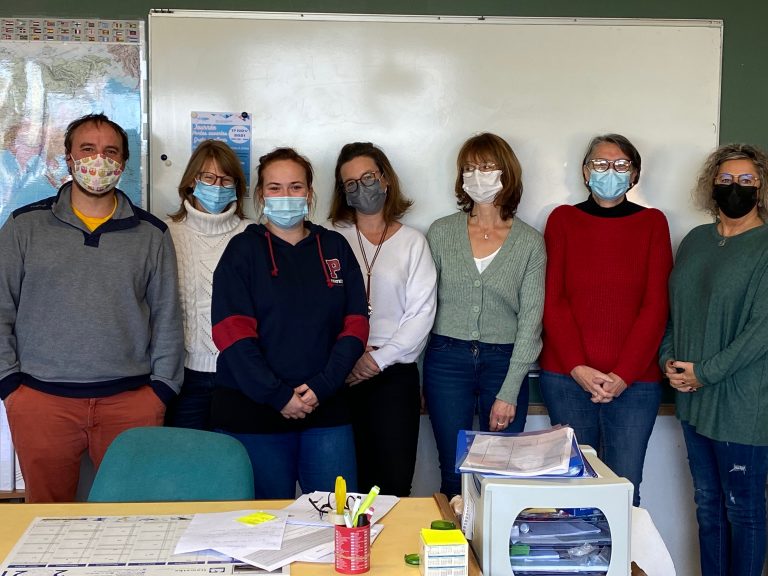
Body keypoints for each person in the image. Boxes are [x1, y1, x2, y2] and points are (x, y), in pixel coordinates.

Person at [0, 113, 184, 503]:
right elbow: (1, 308)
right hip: (41, 401)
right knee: (45, 521)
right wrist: (10, 385)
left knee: (134, 518)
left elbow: (167, 316)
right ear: (68, 157)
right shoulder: (24, 226)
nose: (98, 160)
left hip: (131, 403)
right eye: (87, 149)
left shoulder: (151, 234)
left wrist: (161, 390)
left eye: (110, 151)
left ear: (123, 163)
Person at [211, 147, 369, 498]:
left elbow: (356, 325)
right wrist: (278, 395)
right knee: (261, 528)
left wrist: (323, 386)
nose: (286, 196)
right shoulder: (241, 251)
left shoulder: (334, 247)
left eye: (296, 187)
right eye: (275, 188)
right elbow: (231, 334)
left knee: (338, 521)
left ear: (310, 194)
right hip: (253, 413)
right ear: (261, 195)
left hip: (326, 411)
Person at [539, 134, 672, 506]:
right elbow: (553, 299)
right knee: (572, 492)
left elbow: (655, 305)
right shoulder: (562, 220)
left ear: (634, 175)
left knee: (623, 491)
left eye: (620, 165)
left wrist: (623, 374)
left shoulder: (652, 223)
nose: (609, 171)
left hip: (635, 384)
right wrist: (578, 367)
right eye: (600, 164)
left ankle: (617, 565)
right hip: (566, 378)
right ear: (585, 172)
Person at [660, 143, 768, 576]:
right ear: (711, 186)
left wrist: (705, 373)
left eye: (745, 181)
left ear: (760, 188)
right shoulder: (696, 240)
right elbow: (675, 310)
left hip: (742, 404)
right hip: (693, 401)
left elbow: (760, 331)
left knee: (742, 509)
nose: (734, 188)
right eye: (725, 180)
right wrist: (669, 360)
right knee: (707, 507)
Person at [424, 132, 545, 497]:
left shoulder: (529, 242)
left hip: (504, 361)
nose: (479, 175)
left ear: (507, 173)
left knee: (501, 473)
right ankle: (453, 553)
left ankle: (491, 554)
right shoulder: (441, 233)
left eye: (488, 167)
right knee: (453, 471)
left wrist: (509, 391)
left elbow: (531, 321)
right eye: (470, 168)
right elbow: (424, 308)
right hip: (447, 359)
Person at [330, 142, 437, 496]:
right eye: (351, 183)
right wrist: (349, 360)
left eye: (369, 177)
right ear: (343, 193)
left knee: (392, 485)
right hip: (340, 375)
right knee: (344, 488)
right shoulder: (329, 240)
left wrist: (376, 359)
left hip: (393, 377)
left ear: (386, 179)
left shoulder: (413, 243)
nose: (362, 188)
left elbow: (420, 315)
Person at [165, 140, 254, 430]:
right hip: (184, 378)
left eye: (226, 179)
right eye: (208, 177)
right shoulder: (165, 232)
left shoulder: (253, 234)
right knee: (186, 467)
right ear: (192, 181)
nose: (217, 186)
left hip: (242, 374)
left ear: (237, 186)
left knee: (238, 466)